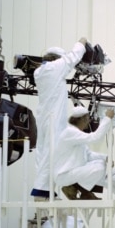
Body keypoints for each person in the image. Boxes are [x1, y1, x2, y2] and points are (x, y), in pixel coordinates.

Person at [31, 37, 88, 201]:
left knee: (43, 152)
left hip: (44, 117)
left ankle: (47, 189)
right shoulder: (55, 67)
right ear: (57, 59)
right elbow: (72, 57)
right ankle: (42, 191)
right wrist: (81, 43)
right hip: (53, 118)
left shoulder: (39, 72)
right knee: (52, 150)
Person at [53, 105, 115, 199]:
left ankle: (81, 191)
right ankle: (79, 190)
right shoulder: (70, 132)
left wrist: (105, 158)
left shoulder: (76, 133)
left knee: (101, 163)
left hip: (71, 173)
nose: (89, 122)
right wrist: (107, 118)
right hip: (64, 174)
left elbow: (88, 155)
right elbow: (95, 137)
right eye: (88, 119)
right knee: (99, 168)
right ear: (83, 119)